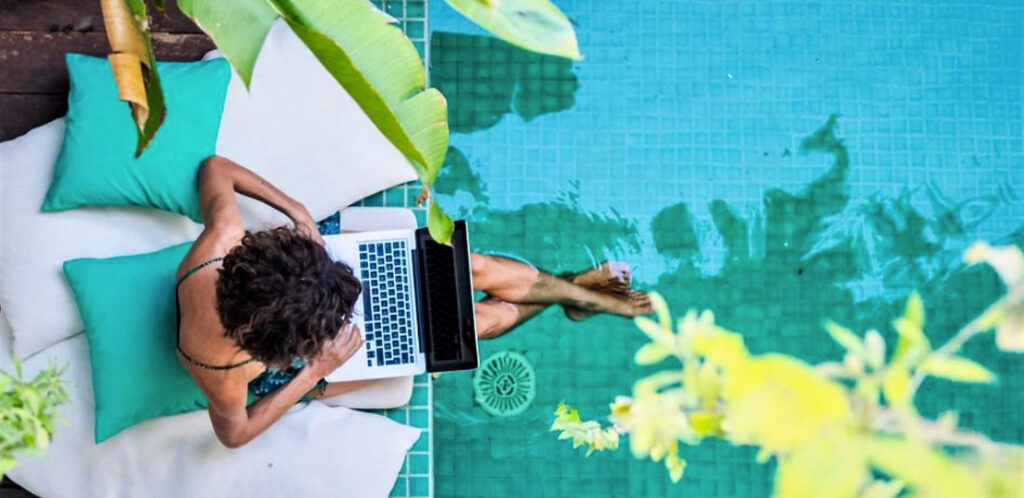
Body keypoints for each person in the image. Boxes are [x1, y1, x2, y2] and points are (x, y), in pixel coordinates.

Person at [177, 156, 652, 448]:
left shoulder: (222, 241)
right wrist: (315, 370)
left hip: (301, 288)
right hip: (313, 361)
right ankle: (578, 296)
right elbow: (234, 434)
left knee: (475, 268)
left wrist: (299, 217)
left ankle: (575, 295)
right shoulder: (221, 372)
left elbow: (215, 169)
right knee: (476, 322)